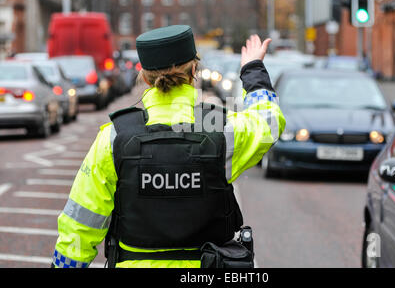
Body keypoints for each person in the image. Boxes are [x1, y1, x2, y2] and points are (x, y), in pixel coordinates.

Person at [51, 25, 285, 268]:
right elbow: (268, 122)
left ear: (143, 76)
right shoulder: (222, 131)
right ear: (194, 70)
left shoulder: (114, 138)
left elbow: (79, 226)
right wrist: (252, 69)